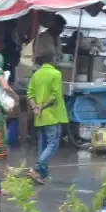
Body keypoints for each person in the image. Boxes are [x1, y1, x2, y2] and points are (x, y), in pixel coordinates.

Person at [28, 52, 68, 185]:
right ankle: (37, 169)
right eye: (57, 58)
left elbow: (30, 94)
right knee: (53, 143)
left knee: (43, 144)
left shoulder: (36, 74)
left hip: (39, 116)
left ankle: (42, 174)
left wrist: (35, 108)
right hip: (52, 114)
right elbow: (55, 96)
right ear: (52, 60)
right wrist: (42, 106)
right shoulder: (56, 74)